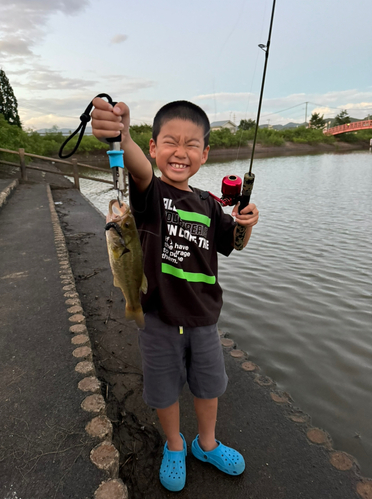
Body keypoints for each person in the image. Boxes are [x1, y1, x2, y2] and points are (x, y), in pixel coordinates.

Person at [91, 98, 259, 492]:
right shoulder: (150, 197)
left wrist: (245, 223)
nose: (180, 152)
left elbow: (233, 243)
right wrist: (124, 136)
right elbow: (137, 168)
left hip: (203, 318)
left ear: (205, 154)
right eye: (169, 141)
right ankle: (174, 444)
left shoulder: (209, 204)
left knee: (208, 387)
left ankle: (206, 443)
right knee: (164, 390)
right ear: (153, 148)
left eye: (191, 144)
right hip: (158, 318)